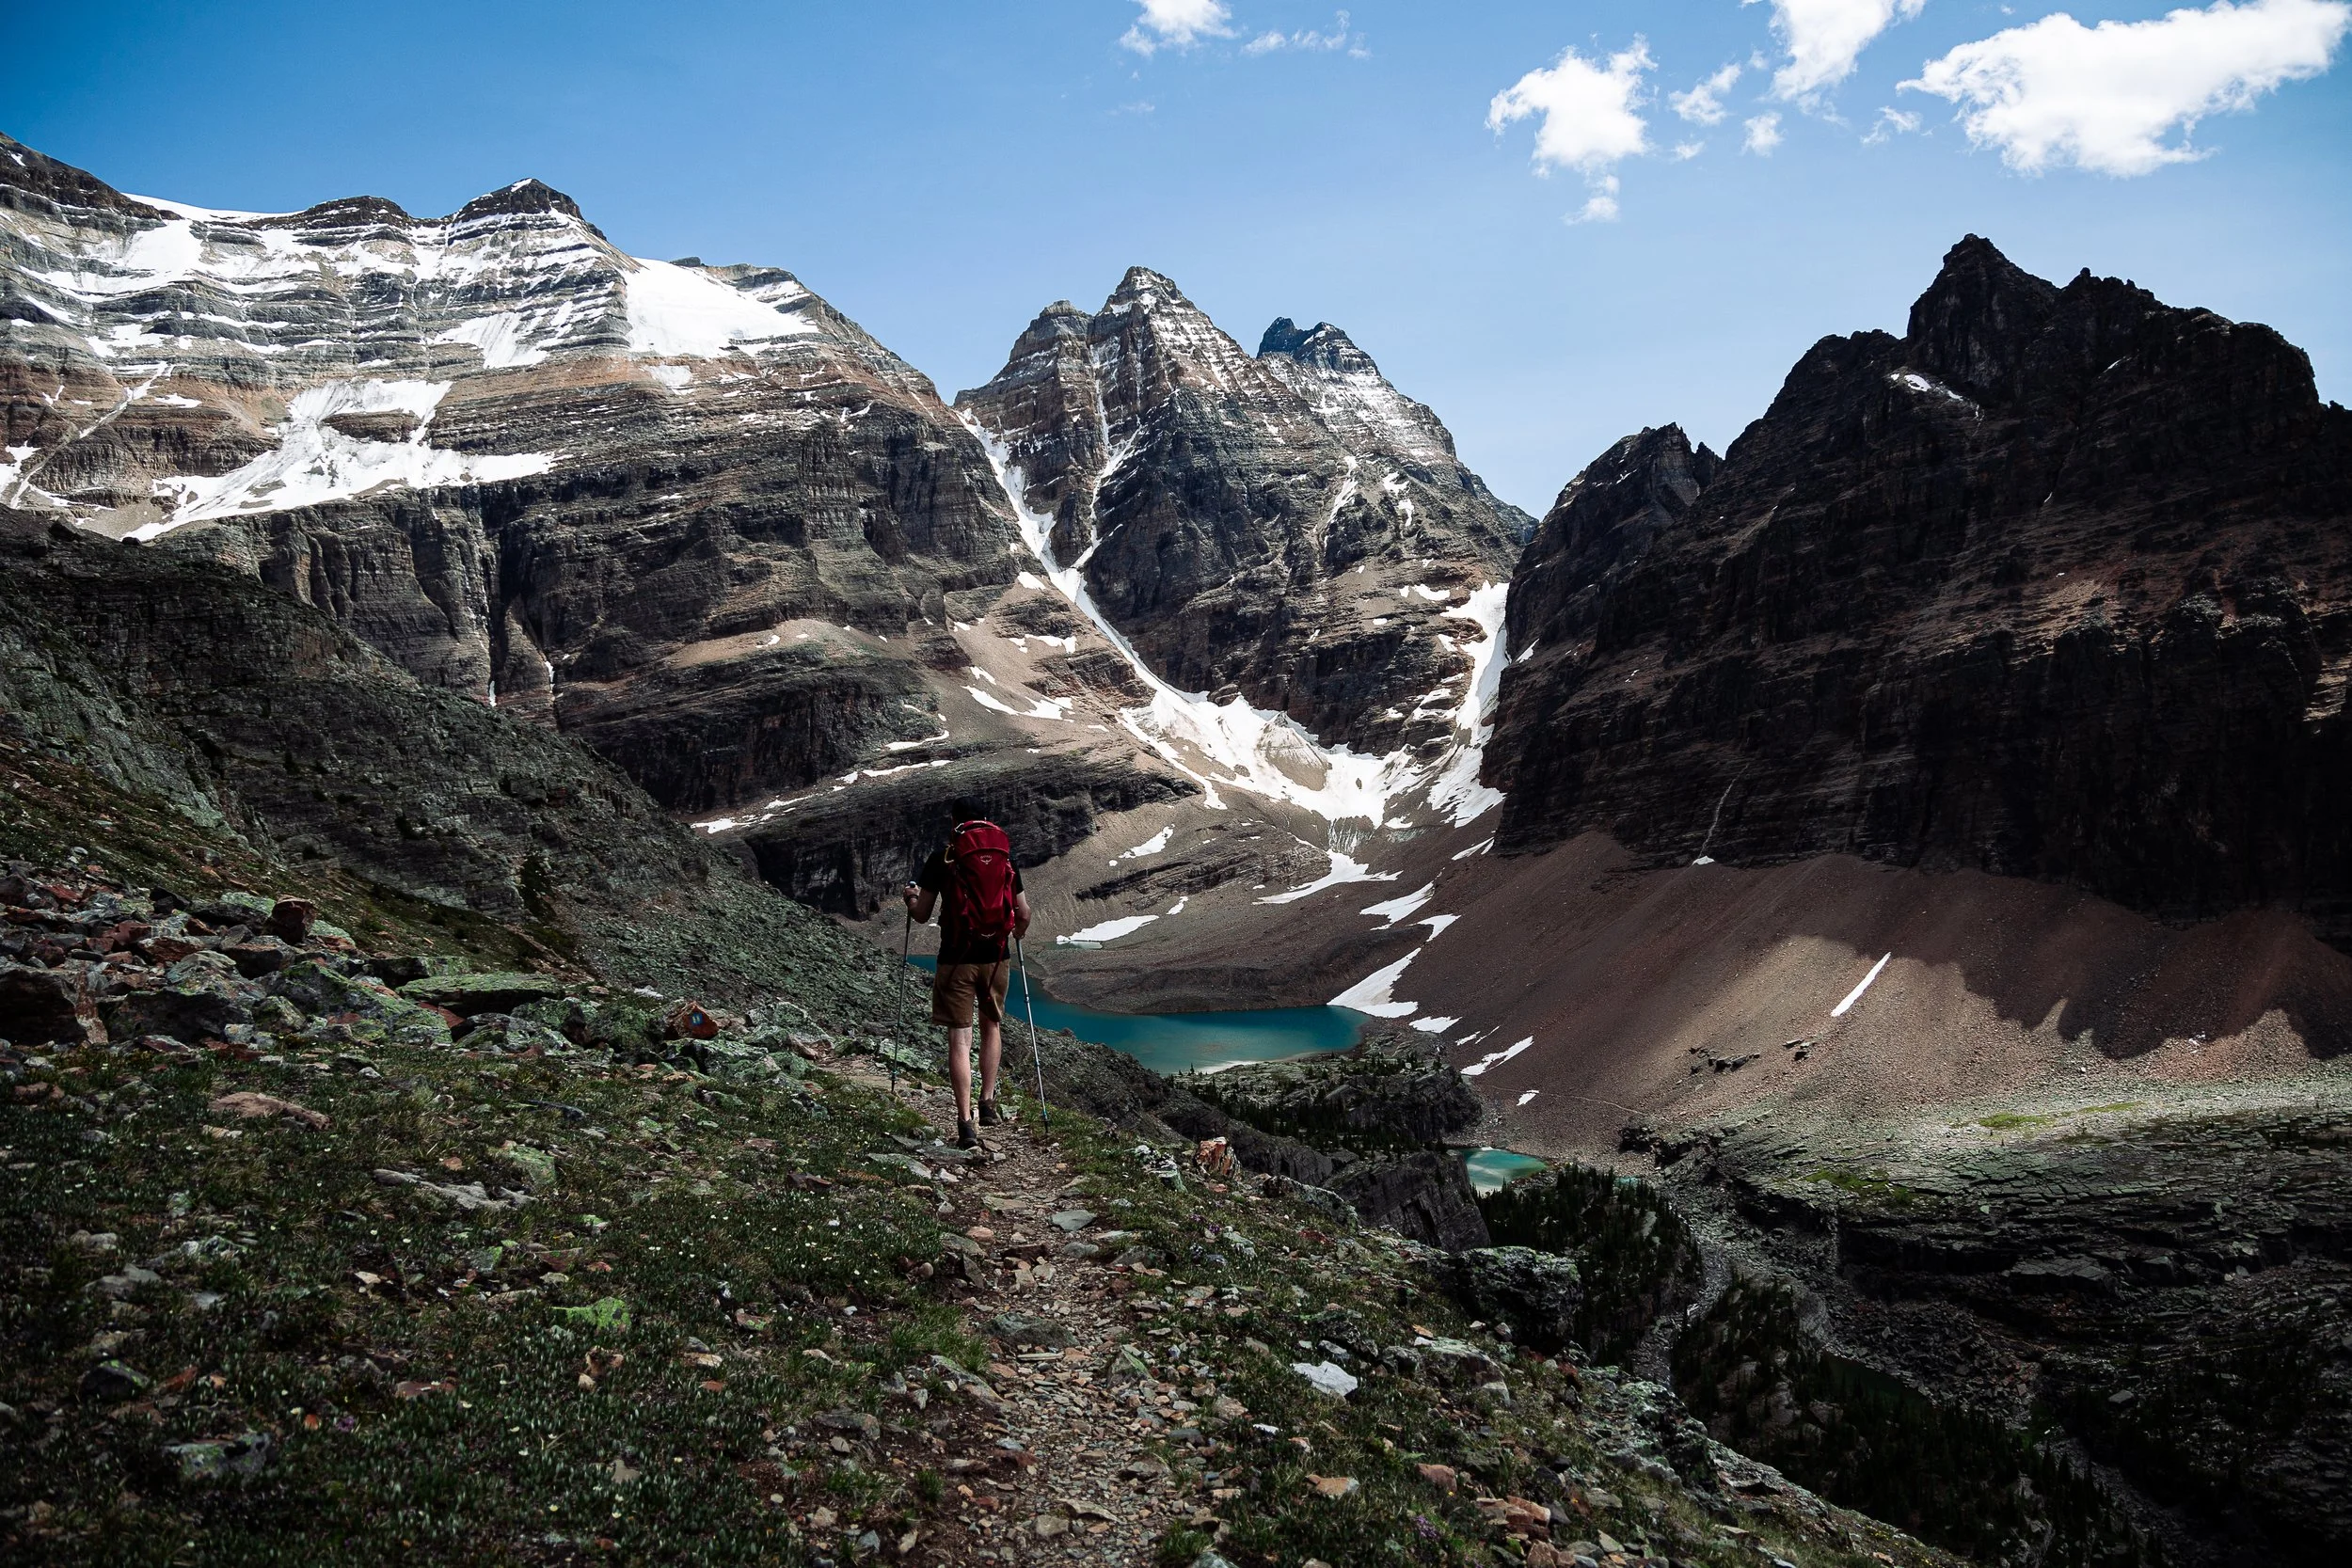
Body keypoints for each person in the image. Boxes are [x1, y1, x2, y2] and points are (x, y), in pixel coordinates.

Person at [903, 814, 1032, 1148]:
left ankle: (965, 1123)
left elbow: (922, 915)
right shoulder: (1004, 856)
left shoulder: (943, 857)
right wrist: (1013, 934)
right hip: (996, 958)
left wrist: (911, 899)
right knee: (992, 1027)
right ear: (985, 822)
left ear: (954, 823)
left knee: (960, 1040)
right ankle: (988, 1103)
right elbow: (1024, 912)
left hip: (956, 958)